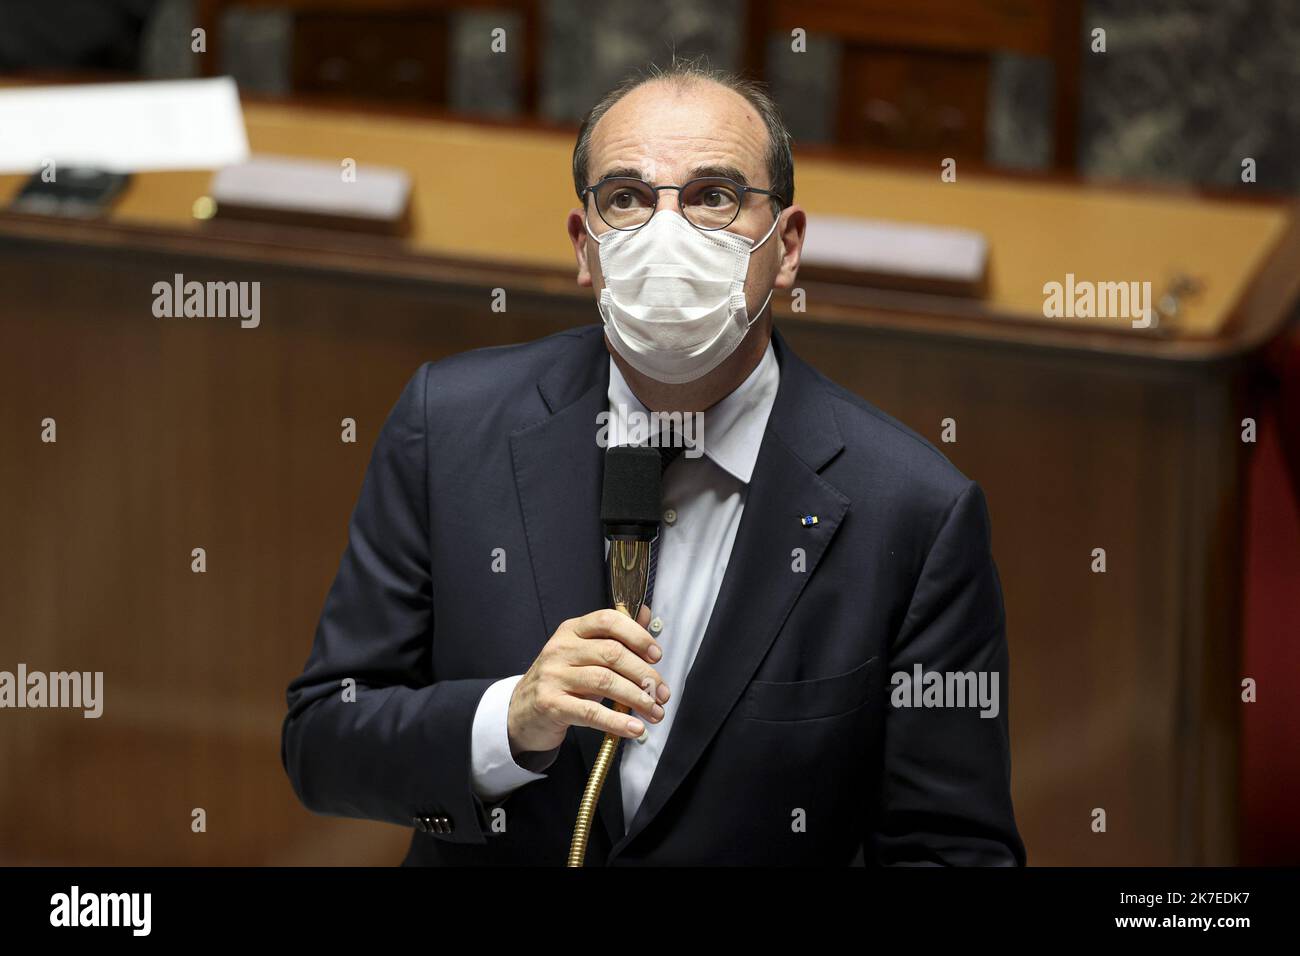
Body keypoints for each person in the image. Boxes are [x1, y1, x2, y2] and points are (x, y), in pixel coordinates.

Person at [282, 57, 1026, 866]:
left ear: (787, 248)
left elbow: (952, 852)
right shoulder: (451, 425)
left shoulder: (913, 512)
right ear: (585, 247)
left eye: (715, 196)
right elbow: (324, 742)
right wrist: (510, 720)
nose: (666, 235)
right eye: (627, 198)